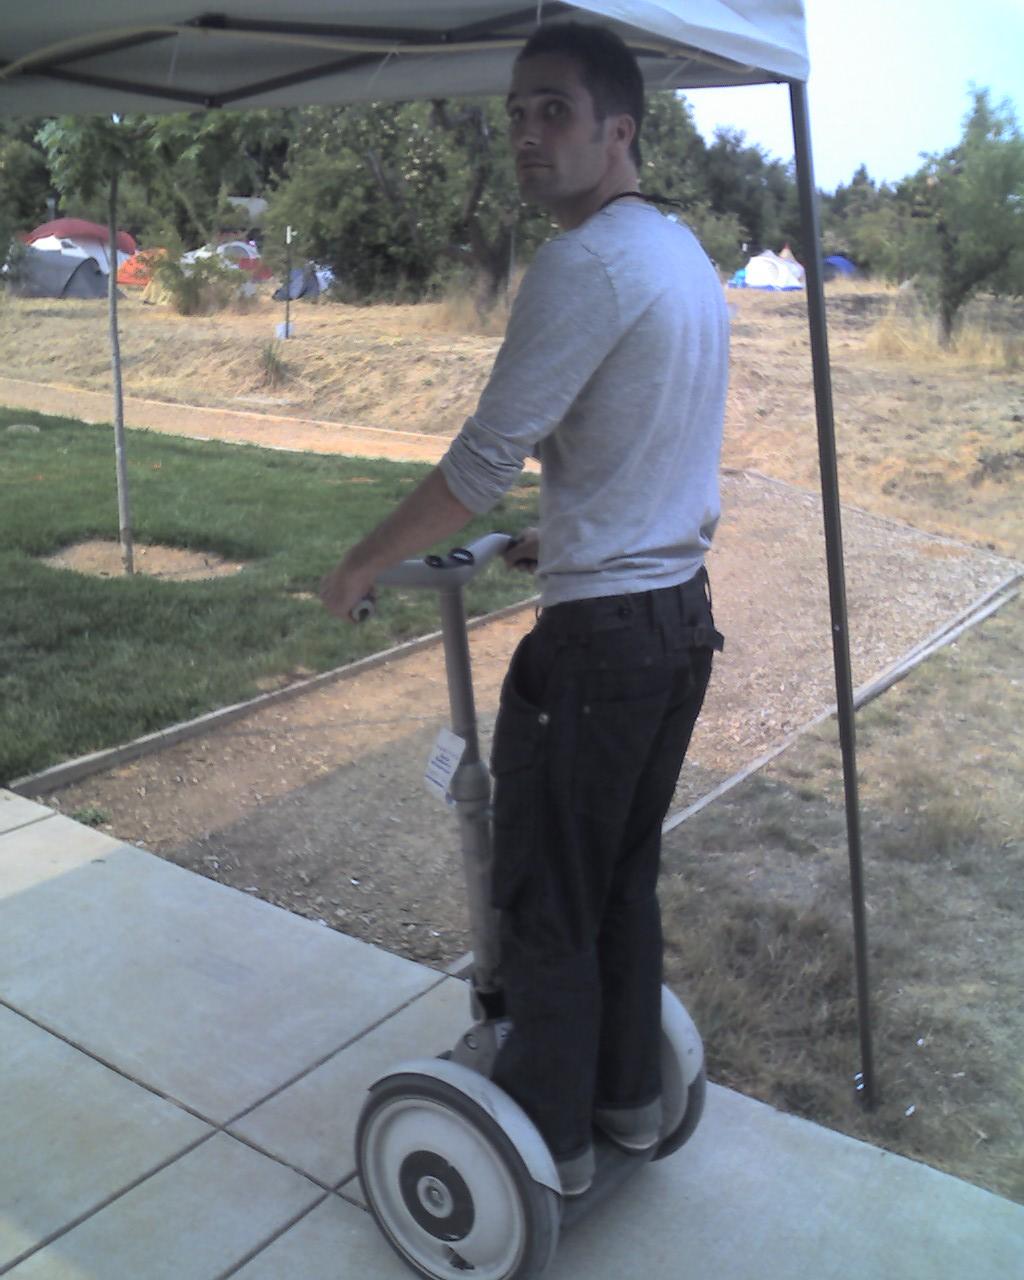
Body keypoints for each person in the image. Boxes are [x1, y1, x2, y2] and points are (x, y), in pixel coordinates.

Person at [320, 20, 728, 1198]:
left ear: (618, 130)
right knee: (617, 879)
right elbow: (659, 436)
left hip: (602, 643)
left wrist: (358, 565)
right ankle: (627, 1098)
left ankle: (547, 1146)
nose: (527, 135)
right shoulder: (680, 255)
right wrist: (572, 528)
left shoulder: (586, 263)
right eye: (515, 113)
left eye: (554, 111)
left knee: (545, 893)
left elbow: (478, 465)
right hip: (675, 619)